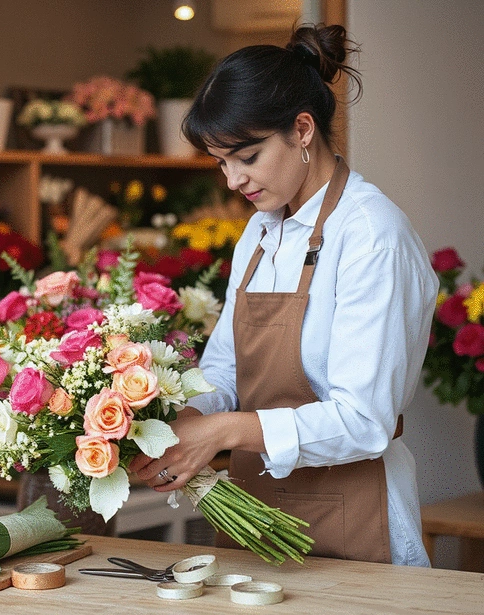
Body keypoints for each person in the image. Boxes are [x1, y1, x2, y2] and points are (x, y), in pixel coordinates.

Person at [129, 24, 438, 566]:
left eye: (247, 156)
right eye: (222, 162)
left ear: (301, 129)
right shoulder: (261, 230)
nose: (233, 181)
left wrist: (222, 431)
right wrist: (169, 426)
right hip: (256, 508)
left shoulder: (370, 234)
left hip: (355, 514)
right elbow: (225, 372)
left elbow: (364, 421)